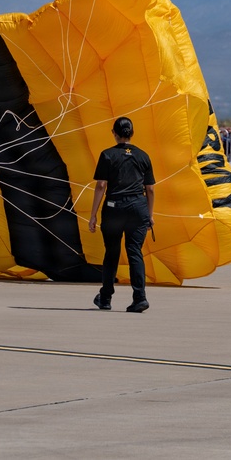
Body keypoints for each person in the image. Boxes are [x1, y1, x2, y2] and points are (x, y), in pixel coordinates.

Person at [87, 116, 156, 313]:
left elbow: (101, 185)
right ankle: (140, 297)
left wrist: (93, 214)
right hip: (138, 208)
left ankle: (106, 297)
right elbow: (150, 189)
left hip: (114, 208)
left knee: (112, 252)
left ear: (114, 133)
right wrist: (150, 215)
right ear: (132, 133)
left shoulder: (107, 155)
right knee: (135, 251)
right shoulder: (143, 156)